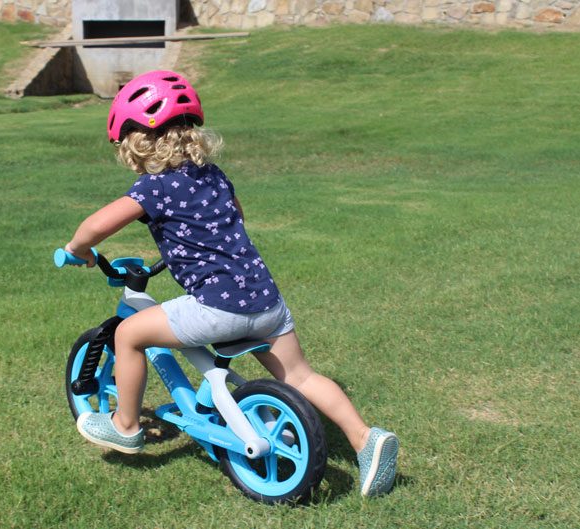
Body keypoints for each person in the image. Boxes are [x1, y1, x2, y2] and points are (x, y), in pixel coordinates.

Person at [63, 70, 398, 497]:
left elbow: (93, 227)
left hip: (218, 308)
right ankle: (365, 439)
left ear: (137, 142)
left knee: (129, 334)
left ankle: (124, 426)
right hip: (266, 300)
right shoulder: (214, 175)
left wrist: (79, 250)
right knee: (300, 375)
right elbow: (236, 215)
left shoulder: (153, 189)